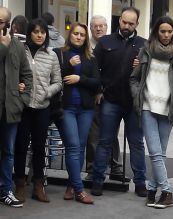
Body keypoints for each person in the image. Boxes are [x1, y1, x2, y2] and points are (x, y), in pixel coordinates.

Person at [130, 16, 173, 208]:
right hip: (147, 106)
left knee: (160, 153)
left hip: (167, 109)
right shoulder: (145, 51)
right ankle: (168, 191)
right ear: (156, 32)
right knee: (155, 152)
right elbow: (134, 78)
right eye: (162, 31)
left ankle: (153, 189)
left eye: (169, 31)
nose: (166, 35)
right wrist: (137, 94)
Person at [92, 6, 147, 197]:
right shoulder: (105, 42)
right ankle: (97, 180)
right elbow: (93, 68)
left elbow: (150, 74)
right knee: (105, 141)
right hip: (111, 101)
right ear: (119, 20)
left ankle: (140, 183)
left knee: (137, 143)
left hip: (134, 103)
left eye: (131, 23)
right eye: (124, 22)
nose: (126, 26)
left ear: (137, 24)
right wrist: (98, 90)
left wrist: (142, 66)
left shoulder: (144, 45)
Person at [13, 18, 62, 203]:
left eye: (43, 32)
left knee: (40, 148)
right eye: (36, 31)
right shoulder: (20, 51)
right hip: (23, 107)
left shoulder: (51, 55)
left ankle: (39, 186)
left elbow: (58, 82)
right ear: (30, 33)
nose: (40, 35)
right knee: (20, 146)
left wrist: (46, 92)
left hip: (43, 107)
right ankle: (19, 184)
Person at [53, 22, 100, 205]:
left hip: (86, 109)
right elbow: (55, 77)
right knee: (73, 146)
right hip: (67, 108)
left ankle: (72, 184)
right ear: (70, 35)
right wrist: (69, 67)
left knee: (80, 147)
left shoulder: (91, 57)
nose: (79, 37)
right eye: (76, 34)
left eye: (82, 35)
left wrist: (80, 78)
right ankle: (79, 190)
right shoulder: (60, 54)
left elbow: (97, 83)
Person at [85, 15, 130, 182]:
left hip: (112, 96)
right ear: (90, 28)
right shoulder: (86, 46)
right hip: (93, 96)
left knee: (111, 133)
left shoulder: (113, 43)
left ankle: (115, 167)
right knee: (94, 134)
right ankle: (92, 168)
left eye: (102, 26)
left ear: (106, 27)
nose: (99, 29)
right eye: (95, 26)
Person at [0, 6, 32, 208]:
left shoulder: (18, 47)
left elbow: (27, 76)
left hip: (11, 108)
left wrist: (23, 98)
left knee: (8, 151)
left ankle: (6, 190)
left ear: (8, 25)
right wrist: (2, 47)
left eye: (1, 21)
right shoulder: (6, 46)